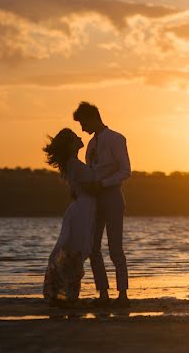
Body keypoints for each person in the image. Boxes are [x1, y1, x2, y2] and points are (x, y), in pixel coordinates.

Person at [73, 101, 132, 307]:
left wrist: (103, 184)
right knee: (93, 247)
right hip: (94, 199)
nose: (82, 128)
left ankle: (123, 294)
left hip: (112, 196)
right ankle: (103, 294)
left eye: (82, 123)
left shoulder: (116, 138)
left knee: (115, 247)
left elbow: (125, 171)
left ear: (92, 118)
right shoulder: (90, 145)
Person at [42, 128, 96, 306]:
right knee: (75, 247)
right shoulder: (73, 163)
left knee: (75, 247)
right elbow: (89, 185)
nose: (80, 137)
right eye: (75, 137)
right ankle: (65, 293)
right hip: (83, 208)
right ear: (71, 145)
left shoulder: (73, 163)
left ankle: (66, 293)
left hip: (83, 207)